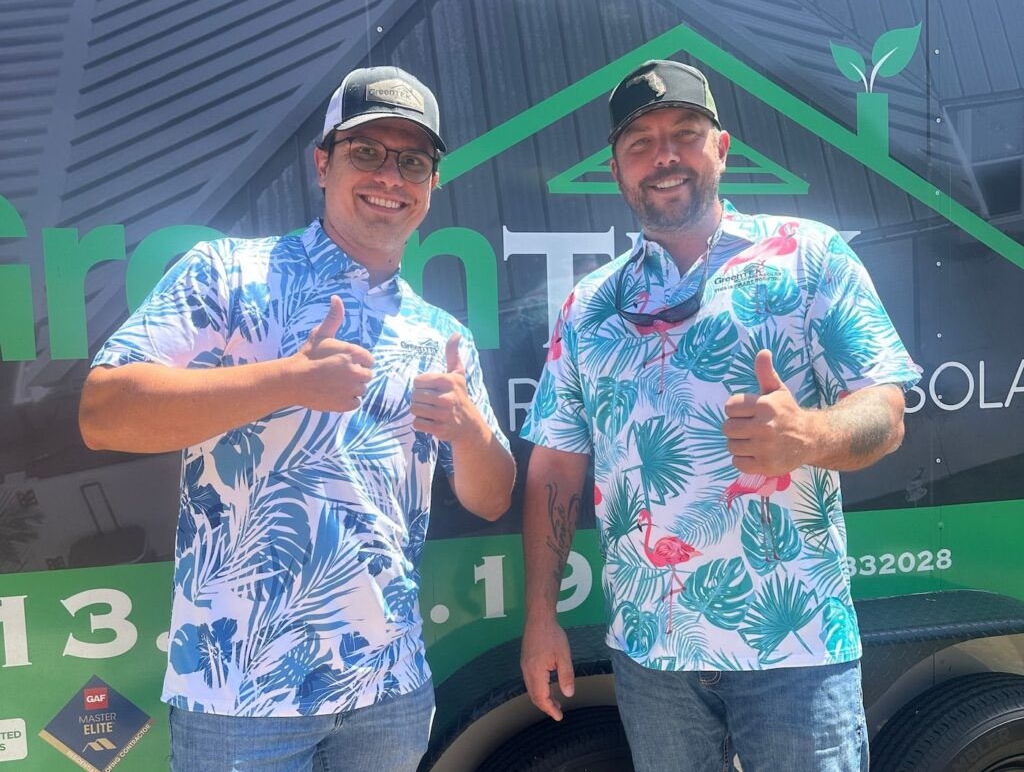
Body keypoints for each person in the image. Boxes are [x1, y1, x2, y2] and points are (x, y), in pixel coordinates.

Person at [79, 66, 516, 772]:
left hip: (388, 692)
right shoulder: (225, 273)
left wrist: (467, 428)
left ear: (432, 183)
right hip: (240, 696)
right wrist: (286, 380)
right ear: (323, 162)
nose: (390, 176)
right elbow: (105, 412)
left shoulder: (440, 332)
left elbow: (493, 496)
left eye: (412, 160)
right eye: (366, 151)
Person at [519, 59, 920, 772]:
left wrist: (810, 434)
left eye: (685, 133)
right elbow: (555, 466)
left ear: (723, 149)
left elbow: (886, 412)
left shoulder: (809, 257)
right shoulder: (587, 306)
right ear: (615, 170)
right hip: (652, 653)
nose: (664, 155)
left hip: (795, 646)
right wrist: (541, 616)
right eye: (639, 142)